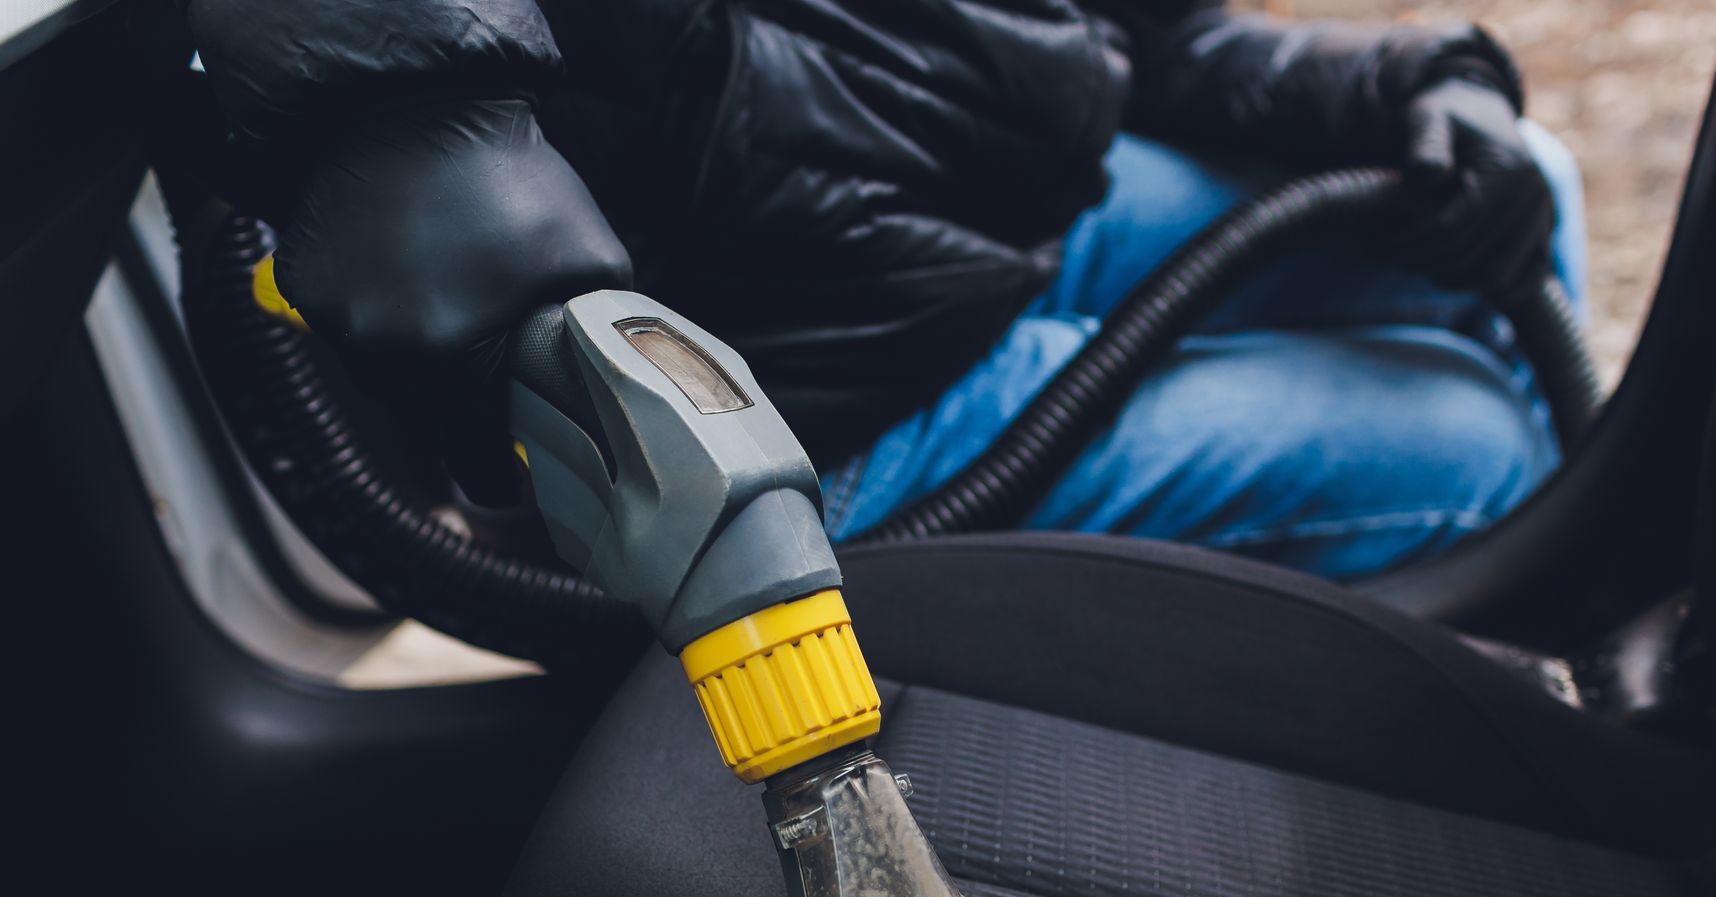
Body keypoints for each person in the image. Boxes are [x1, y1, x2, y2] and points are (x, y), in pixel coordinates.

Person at [186, 0, 1585, 578]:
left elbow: (1147, 30)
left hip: (976, 221)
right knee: (1478, 448)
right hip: (795, 404)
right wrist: (413, 108)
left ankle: (1570, 610)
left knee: (1521, 181)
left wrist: (1406, 83)